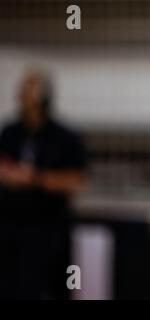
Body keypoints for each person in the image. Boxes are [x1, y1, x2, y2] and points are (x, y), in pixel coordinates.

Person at [0, 70, 87, 299]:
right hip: (11, 232)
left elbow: (76, 181)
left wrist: (35, 179)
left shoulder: (65, 137)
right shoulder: (9, 133)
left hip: (49, 233)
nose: (26, 98)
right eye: (24, 91)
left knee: (50, 289)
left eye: (32, 92)